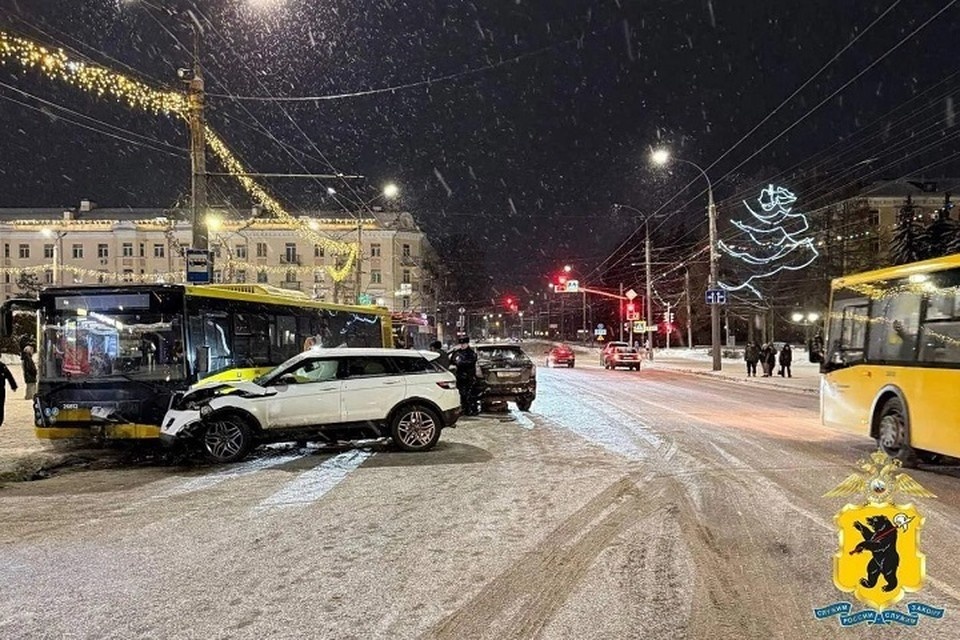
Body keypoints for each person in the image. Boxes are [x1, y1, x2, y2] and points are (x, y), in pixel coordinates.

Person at [450, 336, 479, 416]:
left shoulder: (471, 353)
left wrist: (460, 363)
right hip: (460, 376)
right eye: (461, 344)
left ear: (467, 344)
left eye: (464, 344)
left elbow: (470, 362)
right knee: (462, 395)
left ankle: (471, 410)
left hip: (469, 377)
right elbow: (452, 360)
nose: (462, 345)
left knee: (470, 395)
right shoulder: (457, 352)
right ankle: (464, 409)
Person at [0, 359, 18, 427]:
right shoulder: (2, 365)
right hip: (1, 389)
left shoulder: (2, 366)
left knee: (1, 405)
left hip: (1, 390)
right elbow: (9, 376)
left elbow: (9, 376)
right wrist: (13, 386)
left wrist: (13, 386)